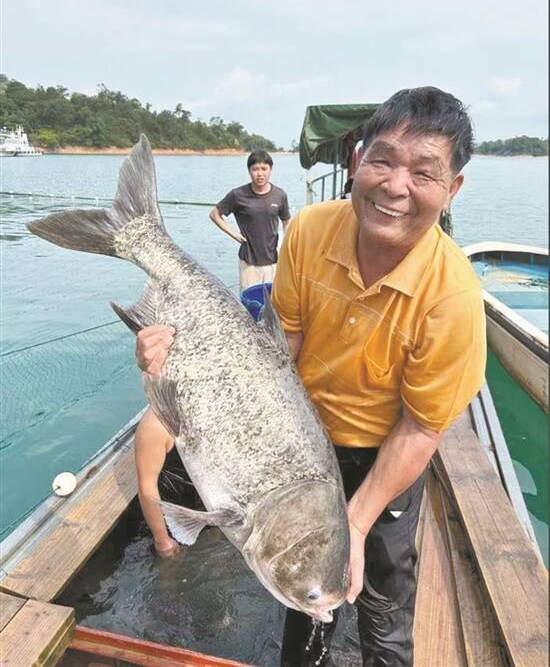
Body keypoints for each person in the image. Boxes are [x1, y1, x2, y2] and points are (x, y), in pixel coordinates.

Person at [135, 86, 486, 667]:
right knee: (307, 602)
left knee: (384, 604)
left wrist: (355, 521)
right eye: (383, 161)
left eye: (424, 173)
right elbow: (279, 355)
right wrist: (175, 367)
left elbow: (421, 429)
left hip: (382, 452)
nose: (396, 186)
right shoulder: (311, 229)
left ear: (452, 188)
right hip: (299, 437)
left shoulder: (453, 299)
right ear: (358, 161)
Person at [208, 150, 291, 291]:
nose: (260, 174)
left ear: (271, 170)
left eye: (264, 169)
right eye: (255, 169)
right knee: (249, 301)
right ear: (249, 171)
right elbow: (214, 214)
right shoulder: (238, 195)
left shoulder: (279, 195)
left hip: (273, 261)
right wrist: (234, 234)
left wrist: (286, 245)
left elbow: (286, 221)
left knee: (273, 301)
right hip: (249, 262)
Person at [134, 407, 179, 557]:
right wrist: (162, 540)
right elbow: (147, 489)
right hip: (173, 526)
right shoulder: (155, 424)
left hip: (209, 515)